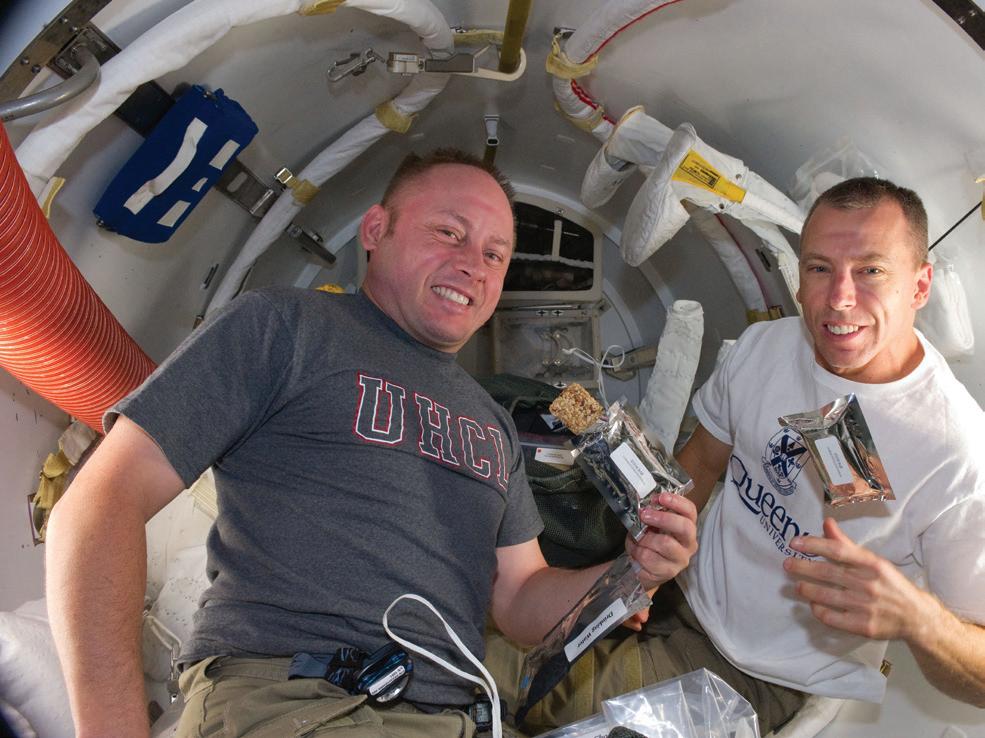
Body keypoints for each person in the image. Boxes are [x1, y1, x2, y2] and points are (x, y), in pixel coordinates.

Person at [44, 148, 699, 738]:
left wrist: (632, 572)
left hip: (453, 720)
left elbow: (522, 601)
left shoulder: (492, 422)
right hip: (298, 700)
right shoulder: (284, 326)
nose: (472, 265)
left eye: (495, 254)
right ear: (376, 231)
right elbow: (102, 503)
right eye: (449, 233)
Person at [494, 176, 985, 736]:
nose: (840, 298)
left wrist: (918, 619)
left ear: (919, 286)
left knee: (493, 679)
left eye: (871, 270)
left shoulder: (957, 454)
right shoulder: (767, 348)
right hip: (676, 592)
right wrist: (643, 567)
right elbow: (702, 462)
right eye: (820, 268)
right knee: (473, 618)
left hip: (750, 673)